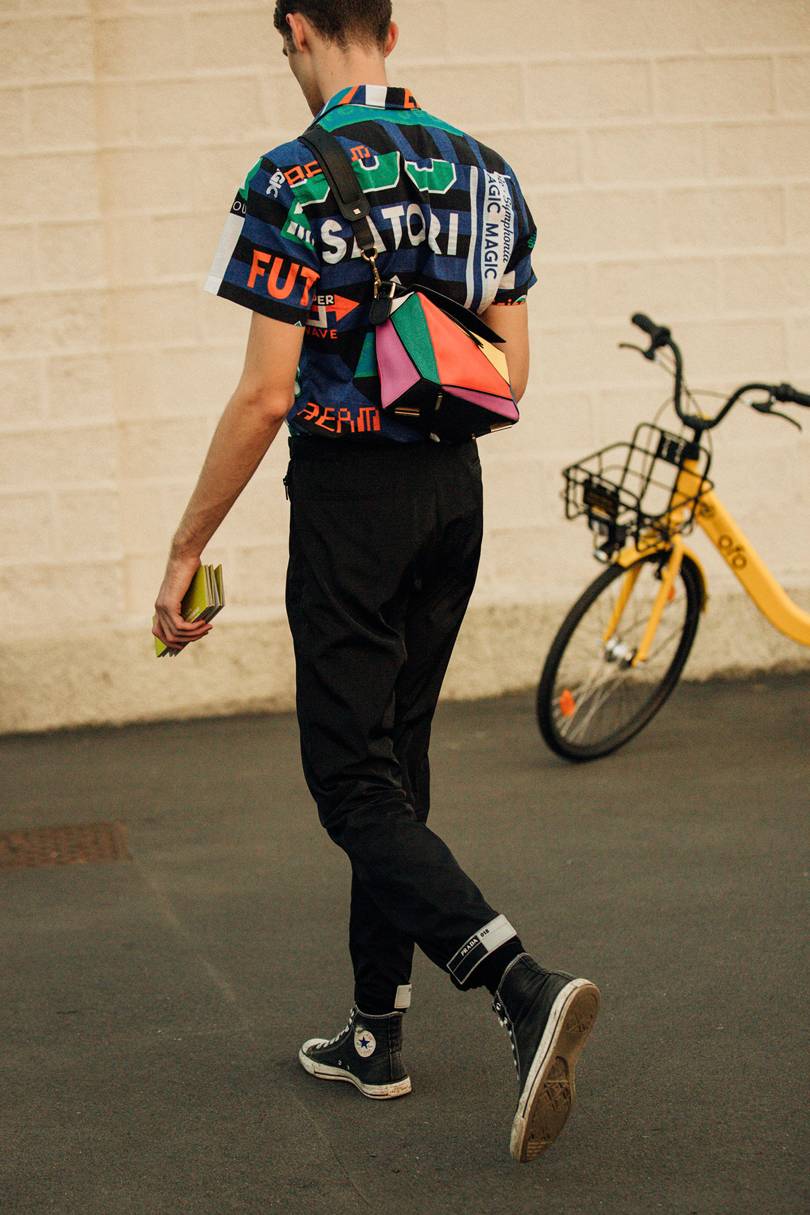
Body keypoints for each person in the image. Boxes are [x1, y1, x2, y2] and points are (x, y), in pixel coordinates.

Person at [152, 0, 600, 1163]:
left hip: (351, 500)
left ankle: (518, 983)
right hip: (454, 490)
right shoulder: (487, 175)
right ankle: (373, 1032)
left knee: (350, 781)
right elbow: (510, 371)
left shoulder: (290, 177)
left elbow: (266, 394)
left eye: (283, 46)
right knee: (395, 760)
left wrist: (187, 546)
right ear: (389, 33)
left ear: (300, 28)